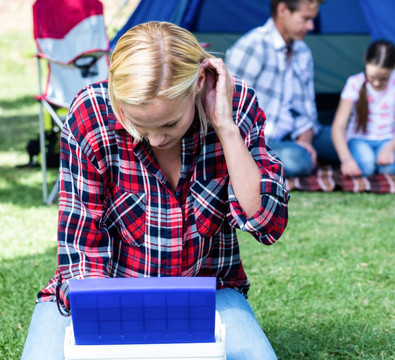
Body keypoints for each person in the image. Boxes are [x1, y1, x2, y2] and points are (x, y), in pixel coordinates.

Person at [21, 21, 289, 360]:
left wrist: (225, 127)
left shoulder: (234, 106)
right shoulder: (90, 115)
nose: (156, 139)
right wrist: (108, 330)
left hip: (206, 294)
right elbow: (81, 246)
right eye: (137, 124)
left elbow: (267, 224)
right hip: (101, 293)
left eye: (169, 123)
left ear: (199, 84)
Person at [225, 0, 338, 178]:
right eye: (305, 18)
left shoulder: (302, 52)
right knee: (297, 161)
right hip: (261, 139)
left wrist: (306, 140)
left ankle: (305, 153)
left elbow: (307, 108)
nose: (311, 26)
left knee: (345, 142)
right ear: (283, 10)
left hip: (294, 130)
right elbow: (229, 105)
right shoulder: (253, 45)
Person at [331, 40, 395, 177]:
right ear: (365, 61)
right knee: (366, 167)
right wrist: (346, 160)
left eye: (383, 78)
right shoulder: (354, 83)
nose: (376, 83)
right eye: (372, 77)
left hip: (389, 139)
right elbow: (338, 127)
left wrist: (390, 148)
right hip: (360, 139)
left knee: (390, 170)